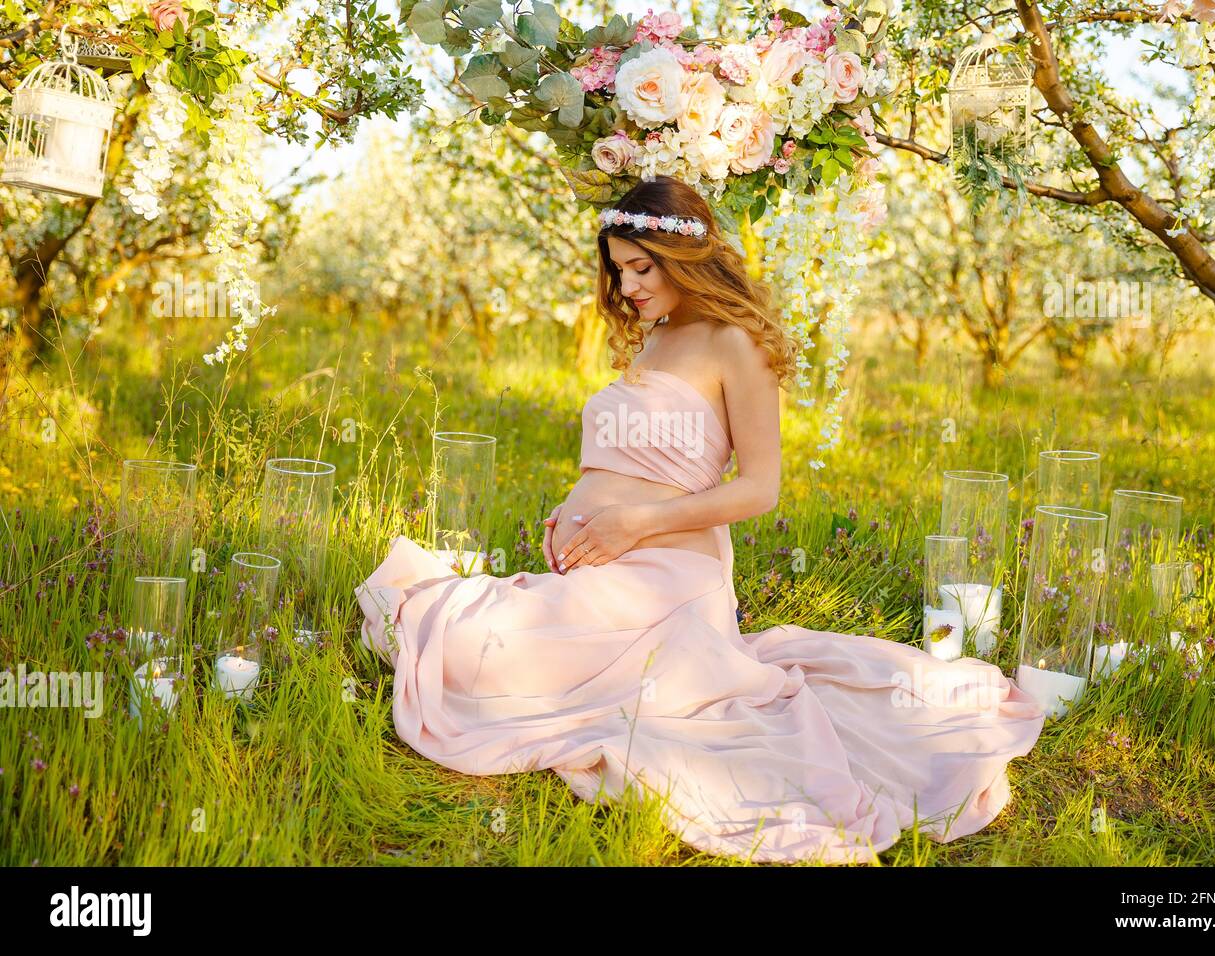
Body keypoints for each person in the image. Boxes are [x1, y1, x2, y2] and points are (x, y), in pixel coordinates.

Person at [355, 176, 1045, 864]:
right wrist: (574, 510)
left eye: (640, 267)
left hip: (670, 578)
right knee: (468, 645)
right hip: (610, 569)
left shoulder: (733, 342)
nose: (627, 287)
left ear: (683, 257)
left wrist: (634, 523)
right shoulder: (654, 338)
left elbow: (760, 490)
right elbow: (625, 461)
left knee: (473, 657)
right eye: (619, 270)